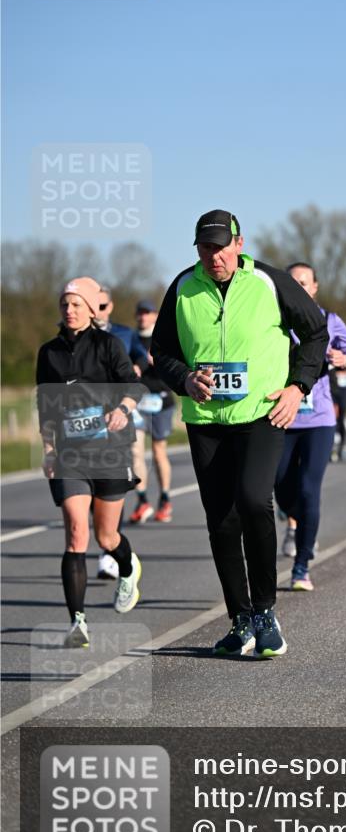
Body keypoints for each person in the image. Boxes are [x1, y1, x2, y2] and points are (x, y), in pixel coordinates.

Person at [151, 210, 328, 658]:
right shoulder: (183, 287)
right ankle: (240, 619)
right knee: (221, 520)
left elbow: (315, 332)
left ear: (239, 243)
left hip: (262, 412)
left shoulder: (269, 282)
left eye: (220, 246)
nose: (214, 256)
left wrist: (298, 387)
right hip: (206, 420)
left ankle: (266, 613)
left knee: (253, 500)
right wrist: (185, 379)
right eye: (205, 248)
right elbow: (162, 350)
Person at [36, 277, 144, 647]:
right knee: (76, 536)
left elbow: (134, 385)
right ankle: (77, 623)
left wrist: (124, 410)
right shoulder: (48, 353)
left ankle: (127, 568)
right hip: (70, 455)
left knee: (106, 535)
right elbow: (45, 406)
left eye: (77, 304)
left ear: (91, 308)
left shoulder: (108, 345)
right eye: (65, 304)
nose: (70, 310)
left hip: (110, 451)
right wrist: (49, 450)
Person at [274, 262, 346, 590]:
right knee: (280, 487)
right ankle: (300, 523)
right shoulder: (275, 321)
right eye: (292, 282)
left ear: (314, 287)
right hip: (281, 415)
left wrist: (344, 361)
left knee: (309, 489)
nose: (299, 286)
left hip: (319, 419)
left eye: (304, 282)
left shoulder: (330, 321)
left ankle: (302, 565)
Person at [95, 285, 149, 578]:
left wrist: (136, 368)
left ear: (110, 307)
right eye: (94, 305)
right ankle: (108, 543)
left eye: (103, 306)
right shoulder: (75, 336)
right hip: (86, 422)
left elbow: (142, 355)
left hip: (121, 411)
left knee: (128, 460)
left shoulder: (124, 334)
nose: (97, 312)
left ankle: (109, 547)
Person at [130, 298, 176, 524]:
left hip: (161, 400)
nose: (143, 317)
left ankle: (165, 498)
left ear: (156, 315)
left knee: (159, 452)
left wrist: (158, 360)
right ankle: (142, 500)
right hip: (137, 401)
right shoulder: (130, 339)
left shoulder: (164, 336)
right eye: (140, 313)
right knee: (135, 450)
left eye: (148, 313)